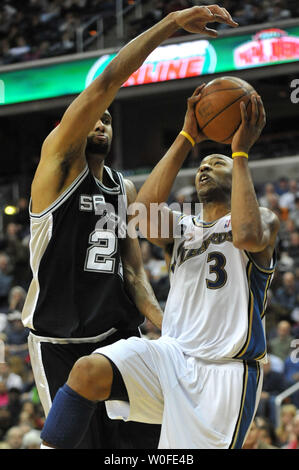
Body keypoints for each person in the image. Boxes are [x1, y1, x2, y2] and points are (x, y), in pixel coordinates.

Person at [24, 4, 238, 450]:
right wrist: (171, 24)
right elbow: (105, 84)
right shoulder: (58, 166)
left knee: (153, 445)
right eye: (92, 117)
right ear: (72, 128)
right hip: (60, 341)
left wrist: (168, 326)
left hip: (120, 334)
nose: (101, 121)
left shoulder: (123, 187)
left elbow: (134, 273)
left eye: (107, 119)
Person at [39, 69, 280, 451]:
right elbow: (140, 214)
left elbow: (247, 236)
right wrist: (187, 137)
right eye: (201, 164)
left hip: (223, 372)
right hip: (170, 355)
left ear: (235, 172)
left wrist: (240, 152)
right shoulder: (182, 226)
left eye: (215, 163)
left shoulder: (261, 219)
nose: (204, 167)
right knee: (87, 371)